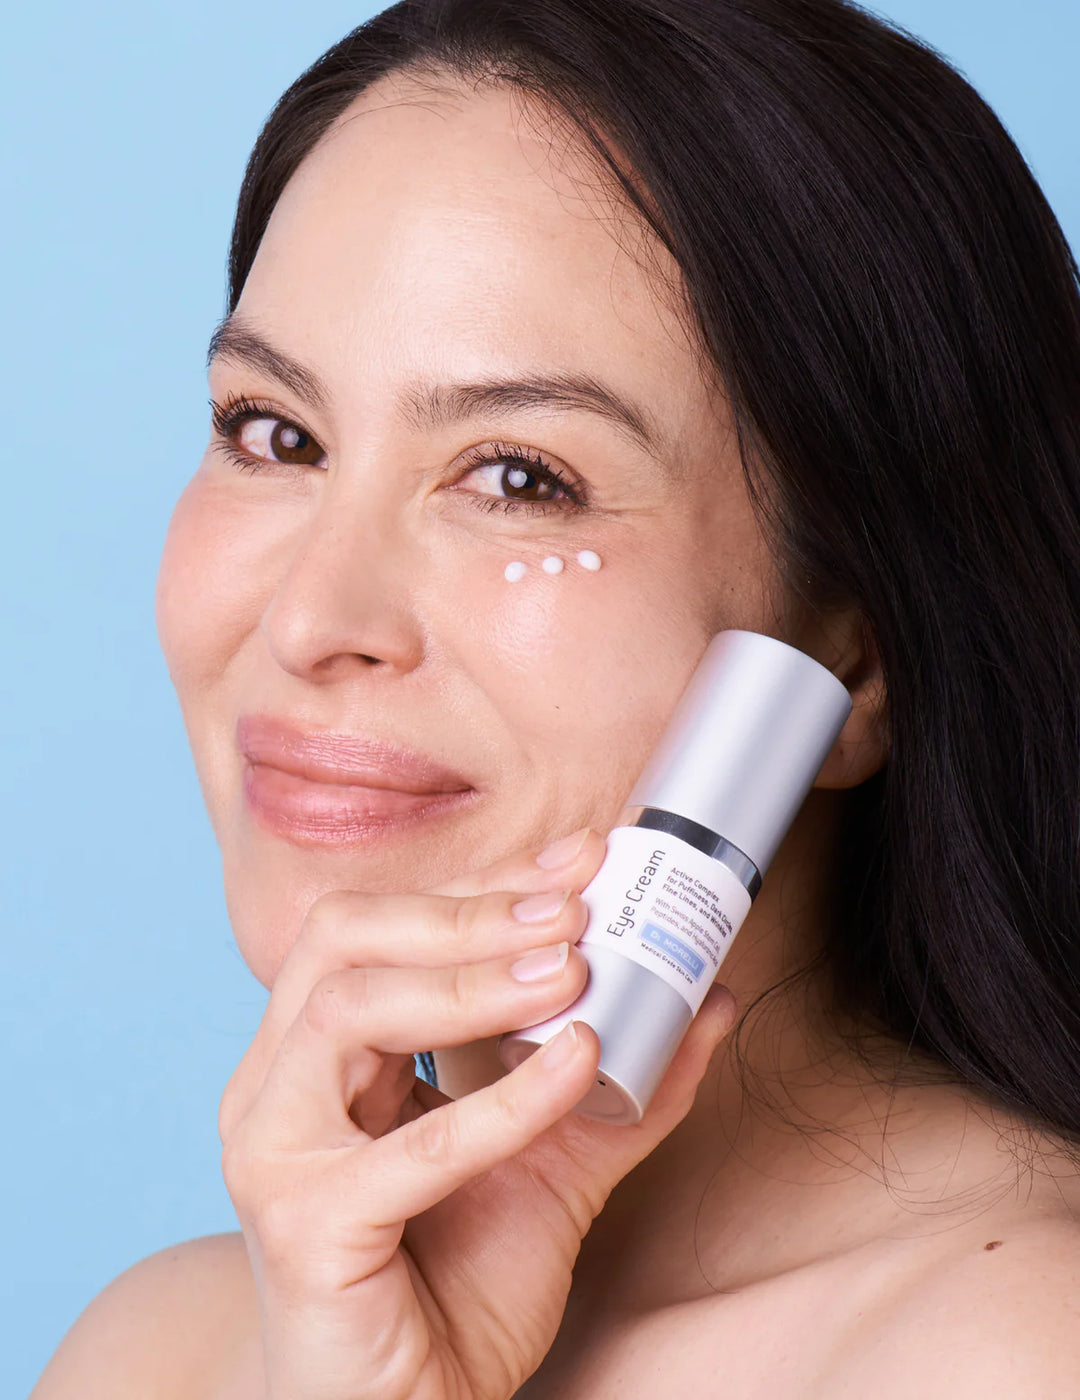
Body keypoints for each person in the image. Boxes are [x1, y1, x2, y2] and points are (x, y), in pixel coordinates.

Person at [31, 0, 1080, 1395]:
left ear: (848, 656)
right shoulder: (167, 1352)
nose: (309, 621)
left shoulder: (1022, 1345)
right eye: (275, 435)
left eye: (520, 479)